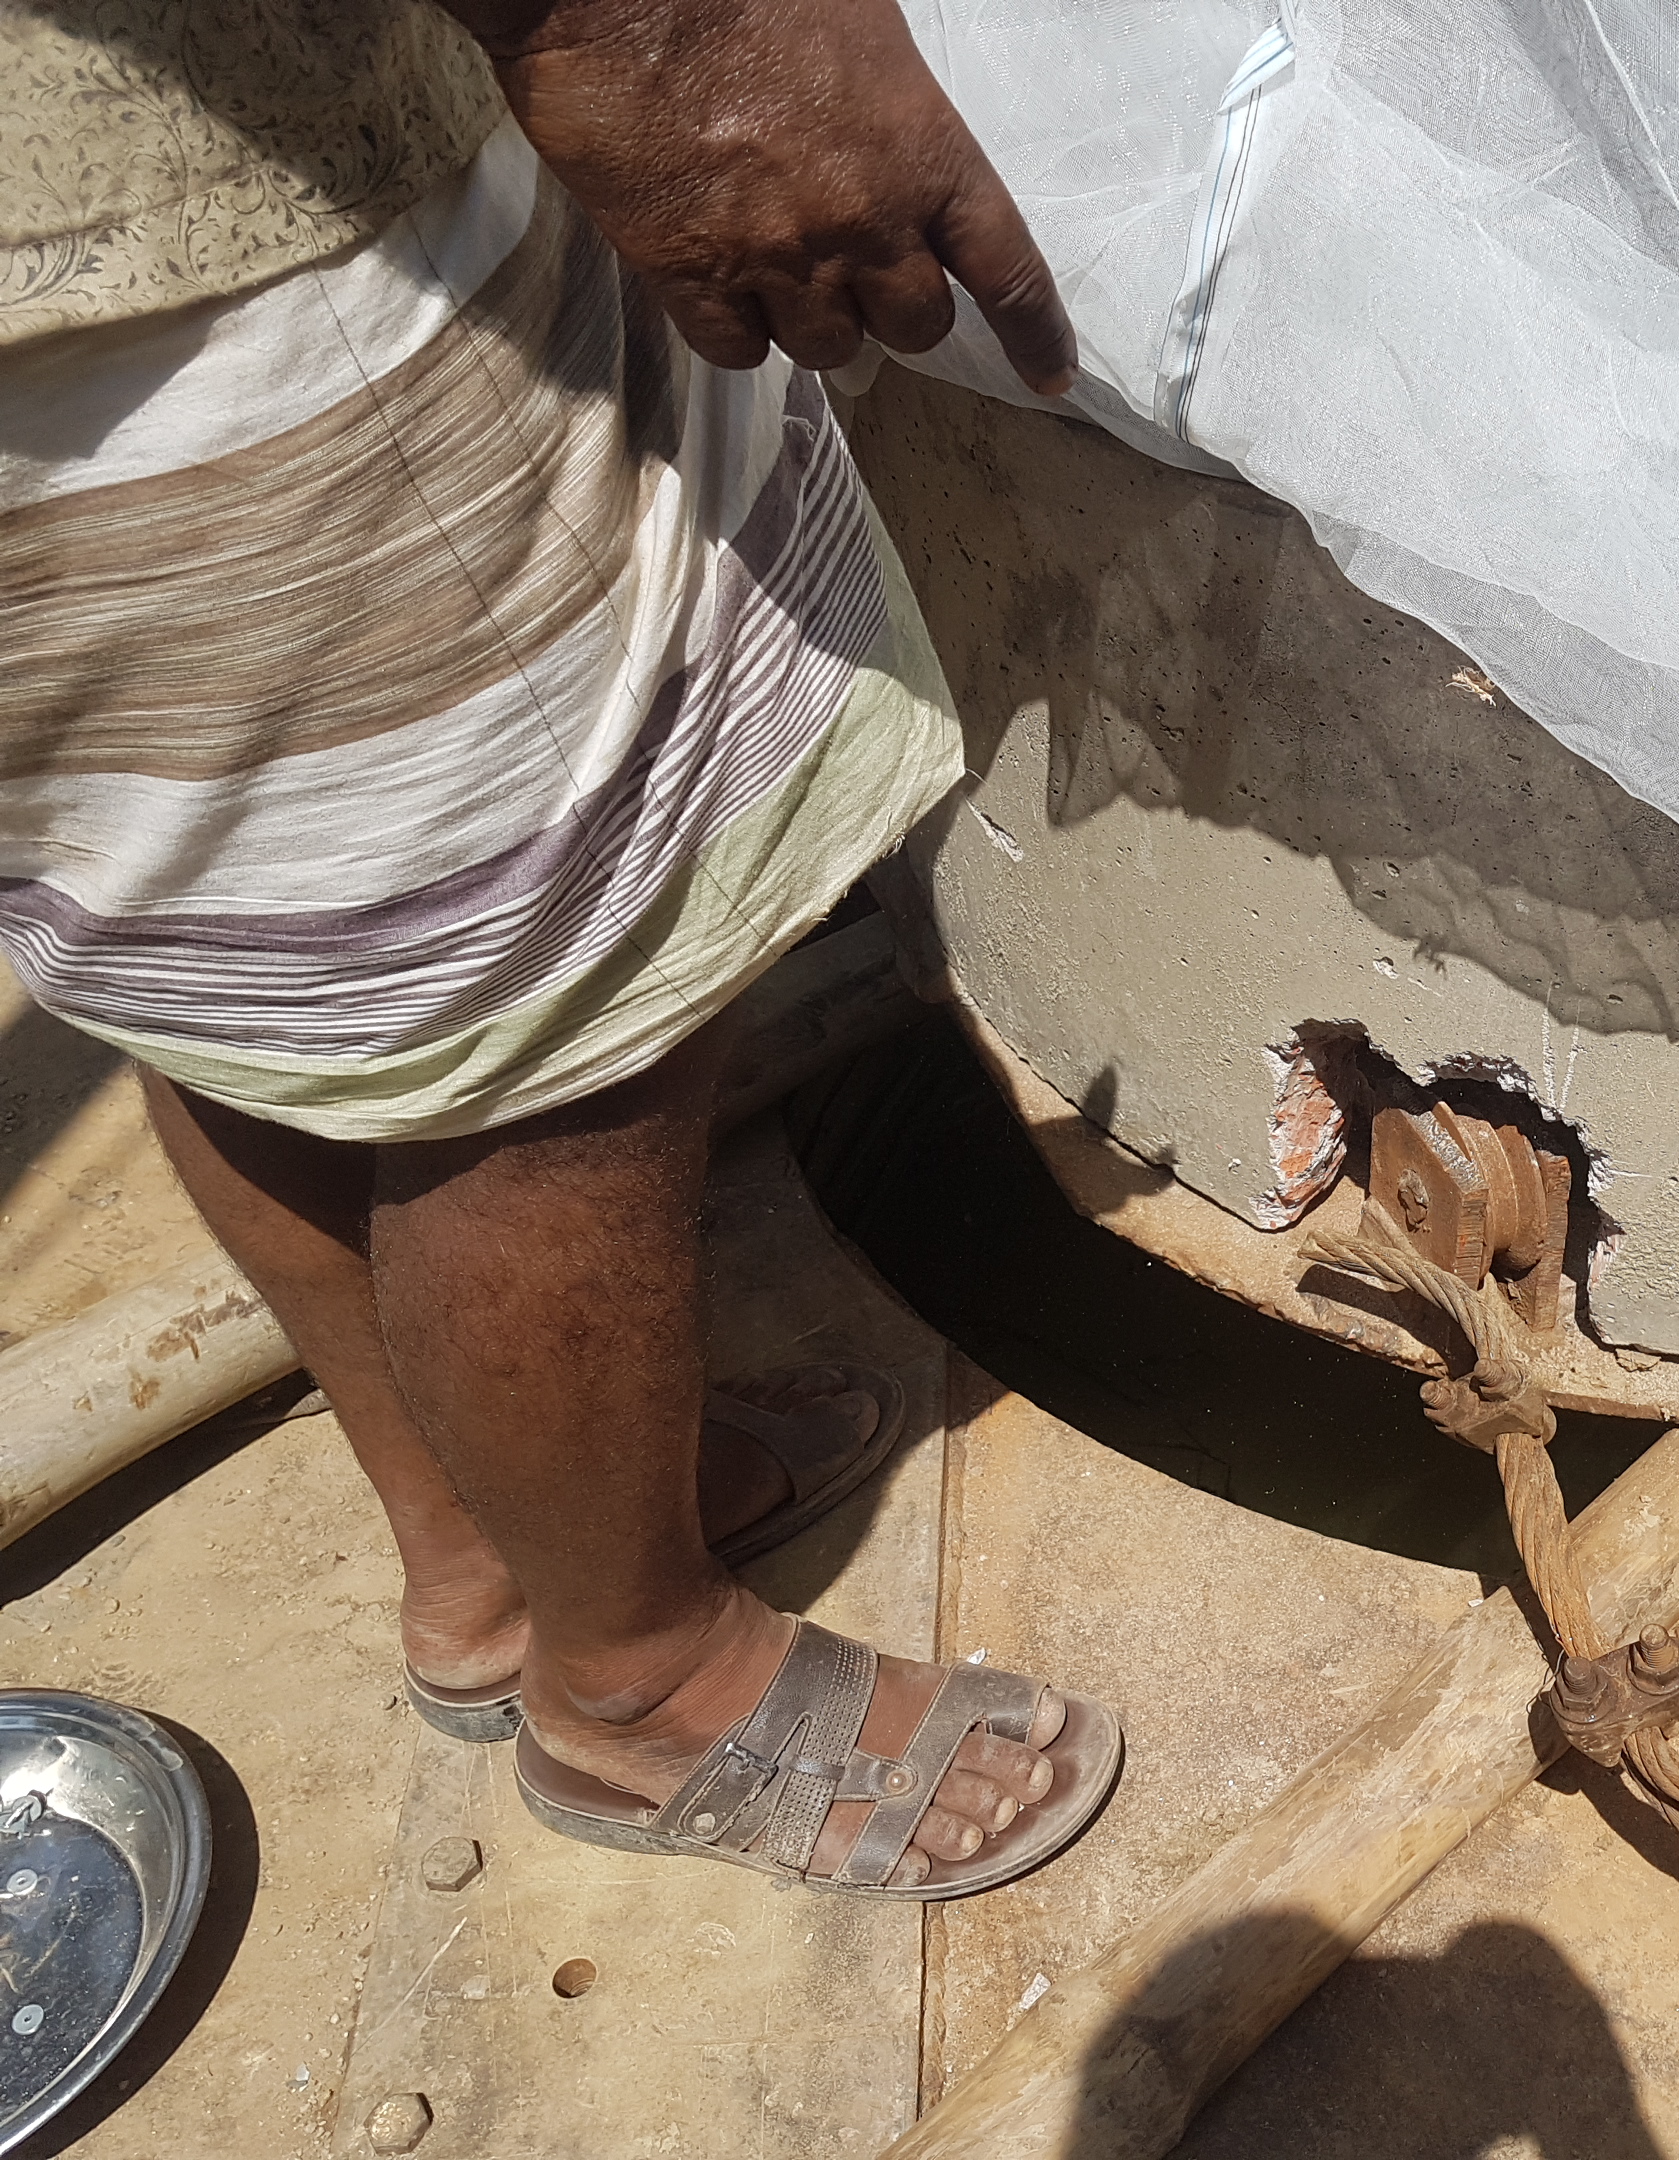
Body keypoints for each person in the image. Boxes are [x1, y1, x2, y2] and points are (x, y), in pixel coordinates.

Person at [0, 0, 1118, 1895]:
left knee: (239, 924)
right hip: (231, 223)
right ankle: (642, 1686)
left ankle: (490, 1567)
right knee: (557, 1005)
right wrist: (642, 33)